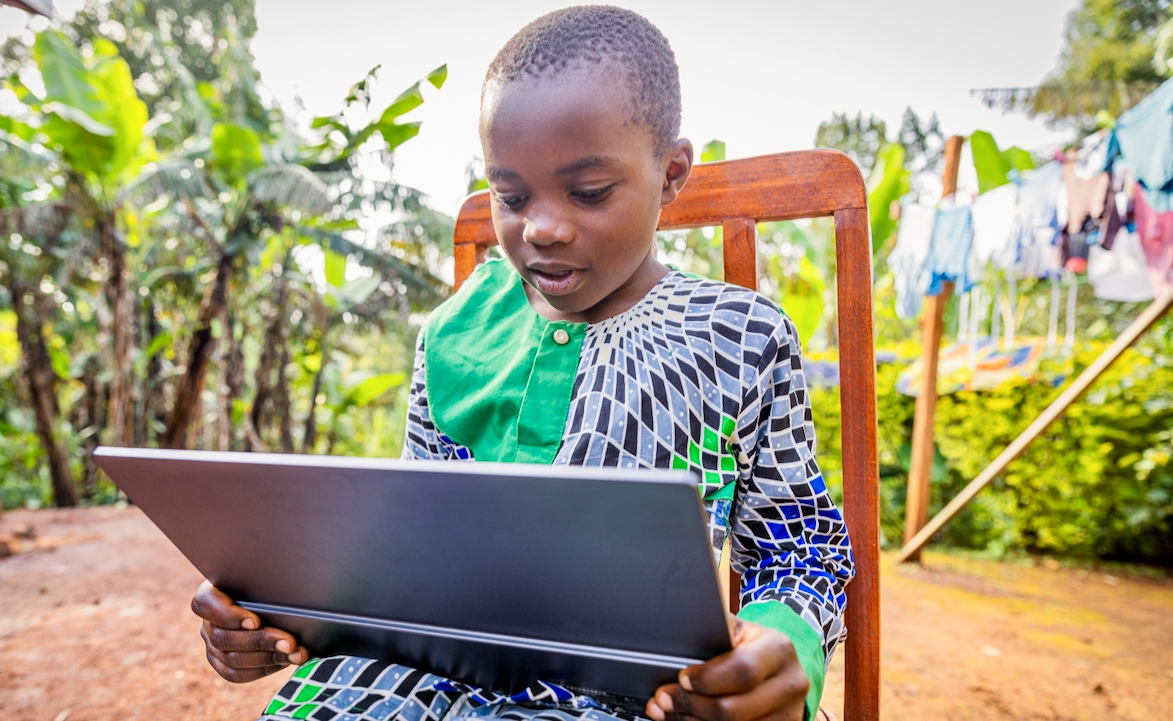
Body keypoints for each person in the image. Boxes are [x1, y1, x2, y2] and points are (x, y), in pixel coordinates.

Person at [191, 7, 852, 721]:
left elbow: (800, 546)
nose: (541, 226)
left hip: (638, 701)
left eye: (589, 191)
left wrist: (783, 644)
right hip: (417, 683)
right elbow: (413, 555)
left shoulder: (743, 337)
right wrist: (277, 617)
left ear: (671, 174)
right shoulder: (451, 334)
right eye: (510, 196)